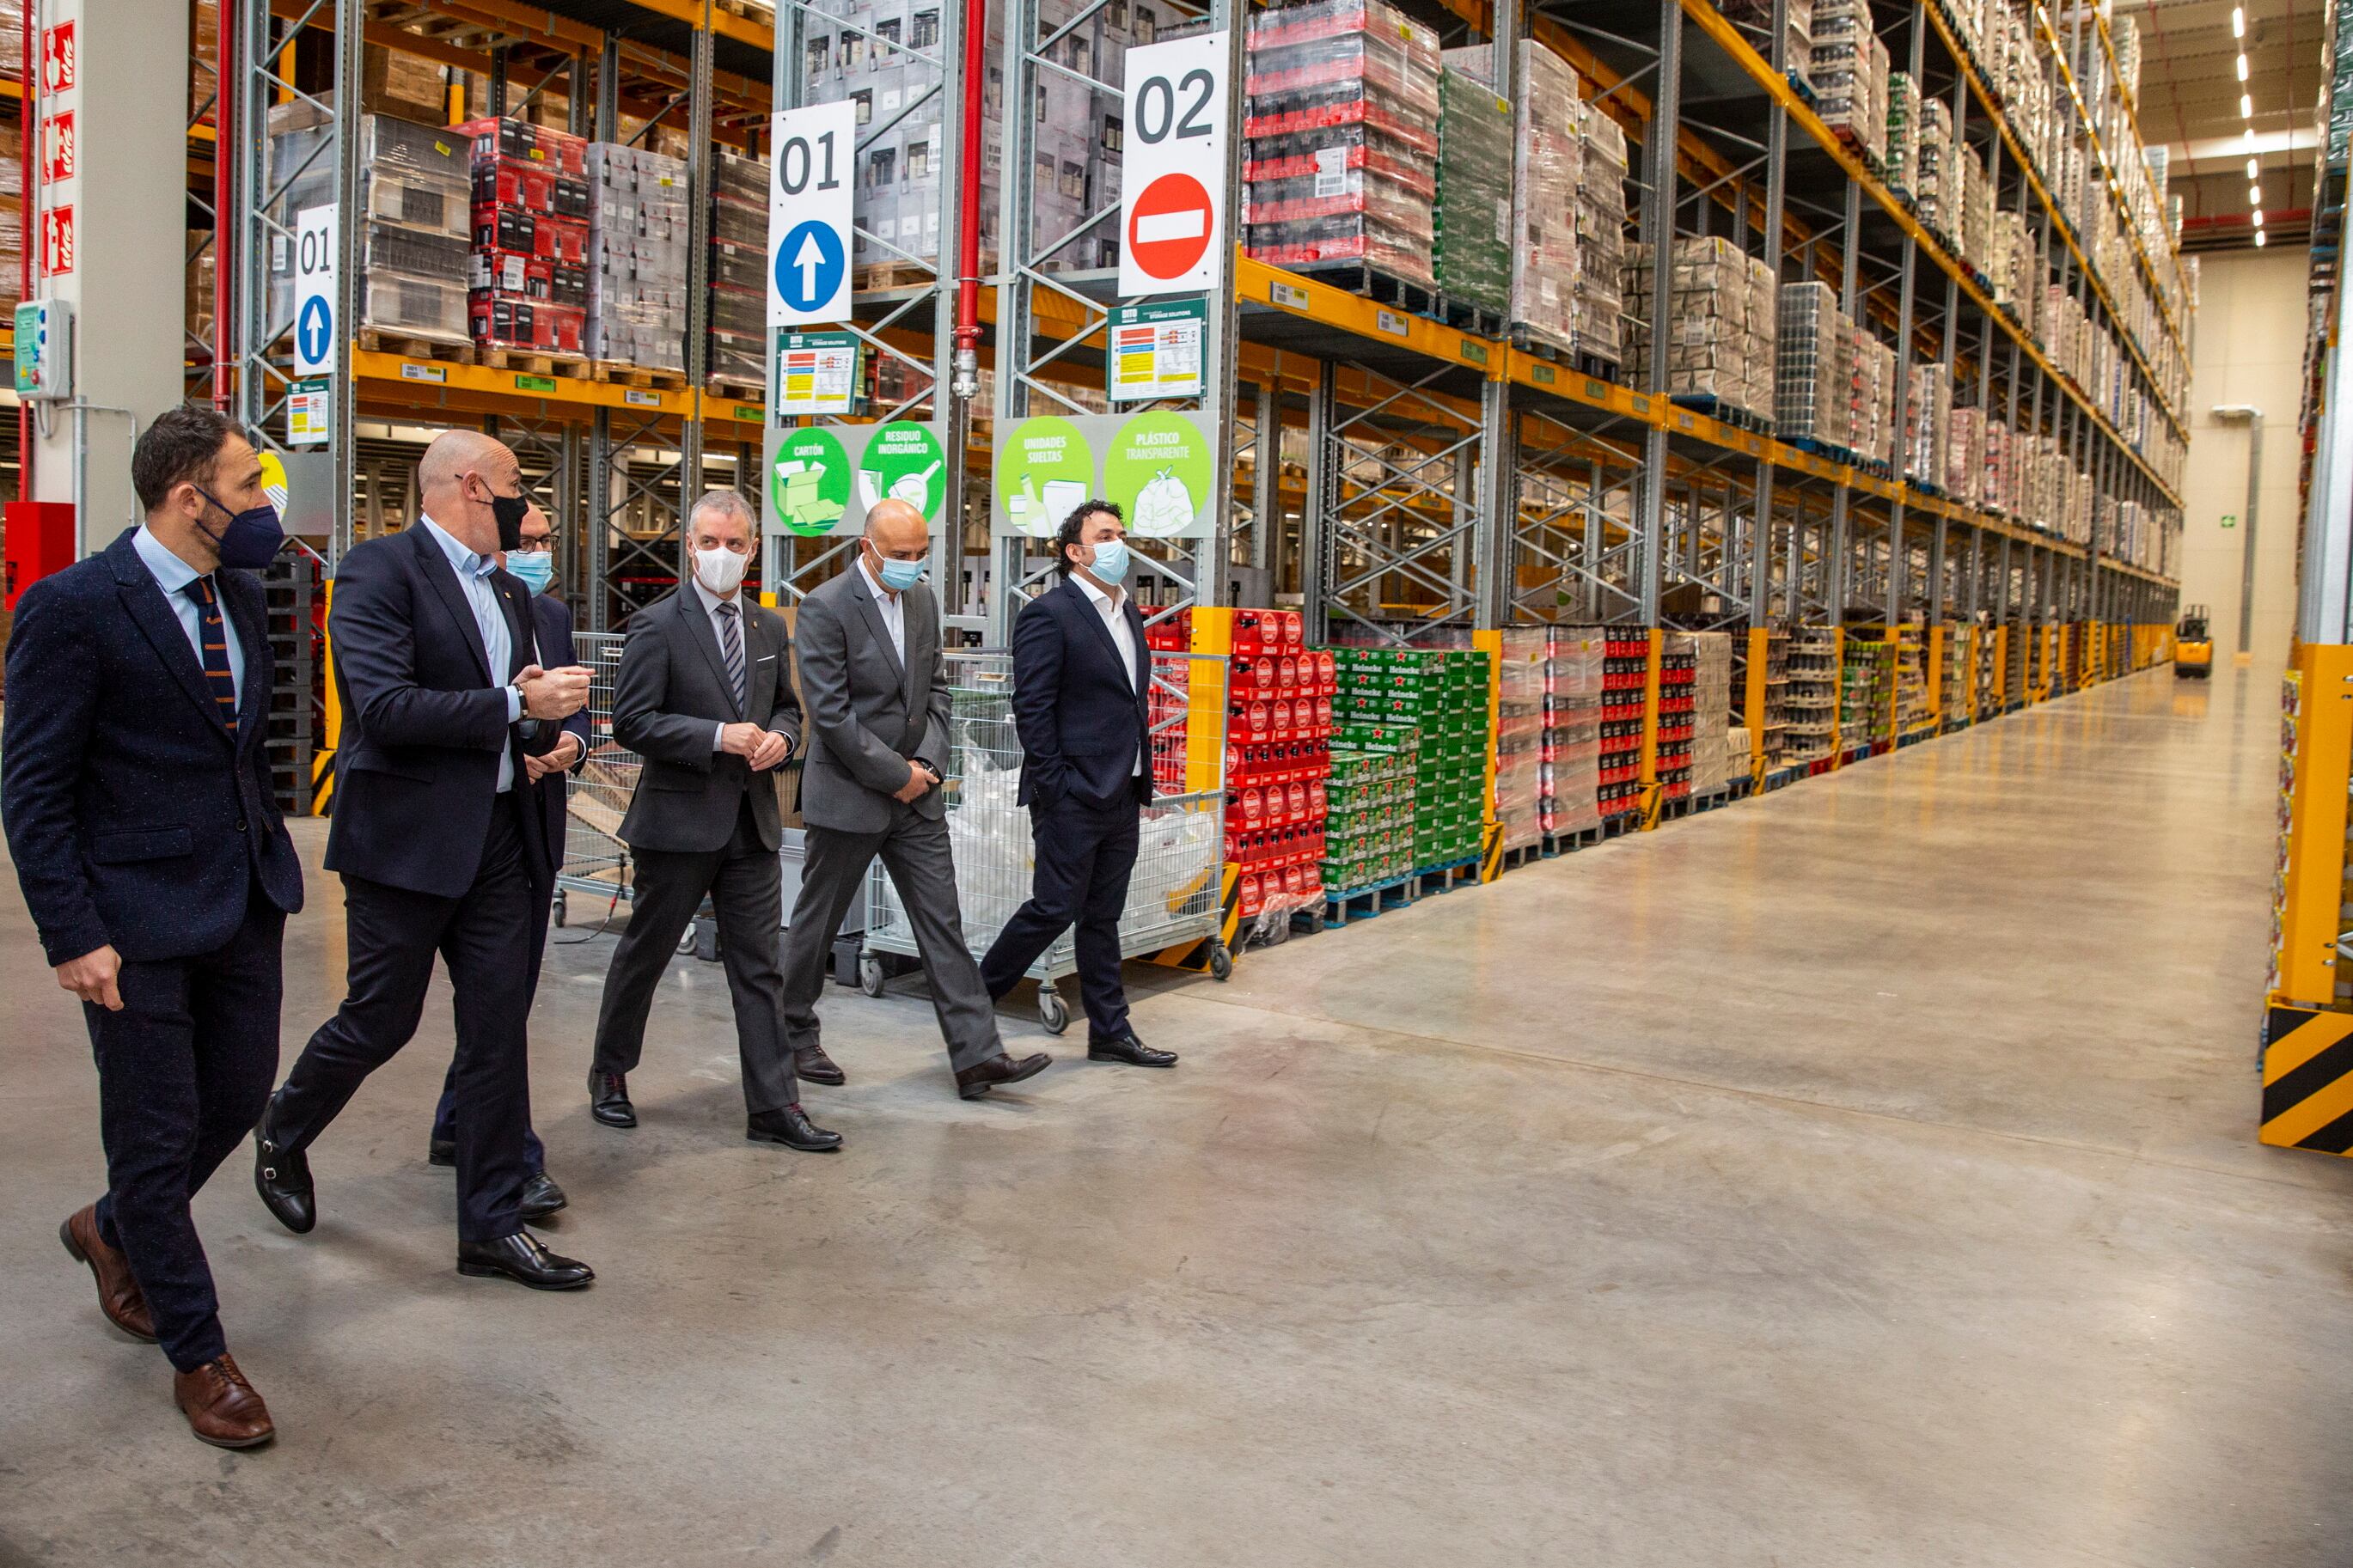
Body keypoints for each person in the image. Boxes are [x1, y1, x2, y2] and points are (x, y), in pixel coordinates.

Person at [3, 406, 305, 1447]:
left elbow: (236, 752)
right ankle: (199, 1351)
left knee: (234, 1094)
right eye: (251, 485)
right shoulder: (75, 607)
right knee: (153, 1129)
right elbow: (32, 788)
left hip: (243, 902)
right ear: (192, 498)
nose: (265, 506)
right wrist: (70, 932)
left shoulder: (241, 590)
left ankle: (113, 1227)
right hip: (130, 923)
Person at [254, 429, 597, 1292]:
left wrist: (541, 731)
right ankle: (281, 1131)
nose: (525, 506)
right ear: (475, 486)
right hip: (405, 845)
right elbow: (385, 705)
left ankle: (488, 1224)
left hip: (497, 837)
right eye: (516, 485)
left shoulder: (509, 594)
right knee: (381, 1017)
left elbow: (502, 712)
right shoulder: (380, 569)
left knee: (494, 1031)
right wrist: (515, 702)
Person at [775, 497, 1051, 1102]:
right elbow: (831, 713)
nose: (912, 564)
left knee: (942, 925)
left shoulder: (921, 600)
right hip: (851, 795)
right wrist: (894, 772)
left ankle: (978, 1056)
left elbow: (938, 691)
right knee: (816, 925)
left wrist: (926, 764)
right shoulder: (825, 607)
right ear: (865, 549)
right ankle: (791, 1034)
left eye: (921, 554)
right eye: (900, 555)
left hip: (917, 798)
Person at [583, 491, 817, 1147]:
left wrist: (782, 740)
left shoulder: (769, 627)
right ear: (689, 545)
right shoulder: (658, 625)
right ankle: (610, 1073)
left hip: (751, 822)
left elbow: (788, 710)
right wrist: (717, 735)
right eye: (710, 542)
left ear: (752, 549)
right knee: (646, 953)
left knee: (759, 966)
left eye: (735, 544)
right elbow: (632, 721)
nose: (723, 554)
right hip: (679, 823)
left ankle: (774, 1104)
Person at [423, 502, 585, 1217]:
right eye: (525, 541)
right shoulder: (444, 601)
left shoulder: (545, 613)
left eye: (545, 541)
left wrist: (570, 746)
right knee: (404, 1011)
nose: (536, 551)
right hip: (462, 822)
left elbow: (574, 705)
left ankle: (462, 1125)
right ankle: (509, 1151)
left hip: (534, 821)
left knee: (503, 999)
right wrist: (513, 722)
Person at [978, 500, 1176, 1070]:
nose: (1120, 544)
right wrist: (1057, 784)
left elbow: (1128, 702)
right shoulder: (1051, 613)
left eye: (1122, 533)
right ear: (1075, 551)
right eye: (1106, 535)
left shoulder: (1128, 612)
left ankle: (1110, 1032)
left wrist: (1142, 779)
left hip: (1123, 789)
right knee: (1052, 907)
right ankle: (967, 1007)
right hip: (1071, 794)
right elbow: (1032, 707)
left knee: (1102, 915)